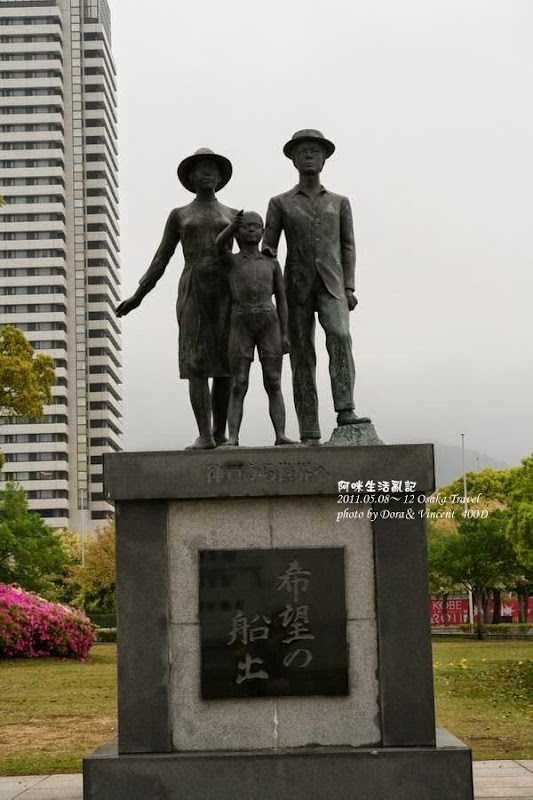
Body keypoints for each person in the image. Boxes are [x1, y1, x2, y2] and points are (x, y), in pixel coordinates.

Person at [116, 148, 238, 449]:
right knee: (195, 361)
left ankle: (220, 432)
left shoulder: (234, 215)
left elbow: (247, 256)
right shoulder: (180, 215)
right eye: (201, 169)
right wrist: (138, 295)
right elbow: (162, 257)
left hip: (226, 289)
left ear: (220, 177)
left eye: (212, 168)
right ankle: (204, 434)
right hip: (193, 286)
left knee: (226, 365)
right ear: (191, 177)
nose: (207, 173)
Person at [262, 129, 370, 445]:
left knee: (340, 336)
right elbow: (269, 246)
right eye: (303, 151)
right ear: (293, 160)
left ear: (323, 159)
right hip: (295, 288)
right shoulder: (279, 203)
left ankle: (346, 409)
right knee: (301, 355)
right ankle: (309, 428)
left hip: (333, 285)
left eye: (315, 151)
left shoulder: (340, 202)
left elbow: (348, 246)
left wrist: (349, 287)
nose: (309, 155)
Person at [215, 210, 294, 447]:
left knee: (274, 381)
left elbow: (282, 299)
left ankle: (280, 434)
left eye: (255, 226)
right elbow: (218, 245)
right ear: (237, 232)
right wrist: (232, 226)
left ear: (263, 231)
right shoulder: (232, 260)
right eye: (245, 226)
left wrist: (285, 333)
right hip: (240, 321)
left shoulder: (271, 263)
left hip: (269, 320)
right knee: (238, 383)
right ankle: (233, 437)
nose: (250, 229)